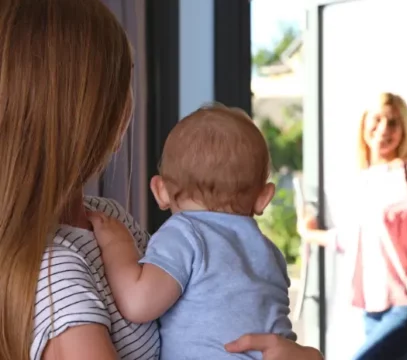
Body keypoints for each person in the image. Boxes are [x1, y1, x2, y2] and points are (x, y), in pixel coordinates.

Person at [0, 1, 322, 360]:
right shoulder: (55, 273)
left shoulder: (107, 217)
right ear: (87, 108)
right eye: (124, 81)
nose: (130, 102)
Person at [88, 105, 296, 359]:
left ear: (160, 190)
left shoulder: (184, 234)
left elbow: (138, 303)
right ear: (263, 198)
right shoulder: (269, 253)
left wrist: (117, 245)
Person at [299, 92, 407, 360]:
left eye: (393, 123)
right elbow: (351, 240)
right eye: (377, 120)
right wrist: (308, 233)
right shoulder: (361, 182)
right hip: (371, 309)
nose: (384, 130)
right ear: (364, 123)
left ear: (404, 130)